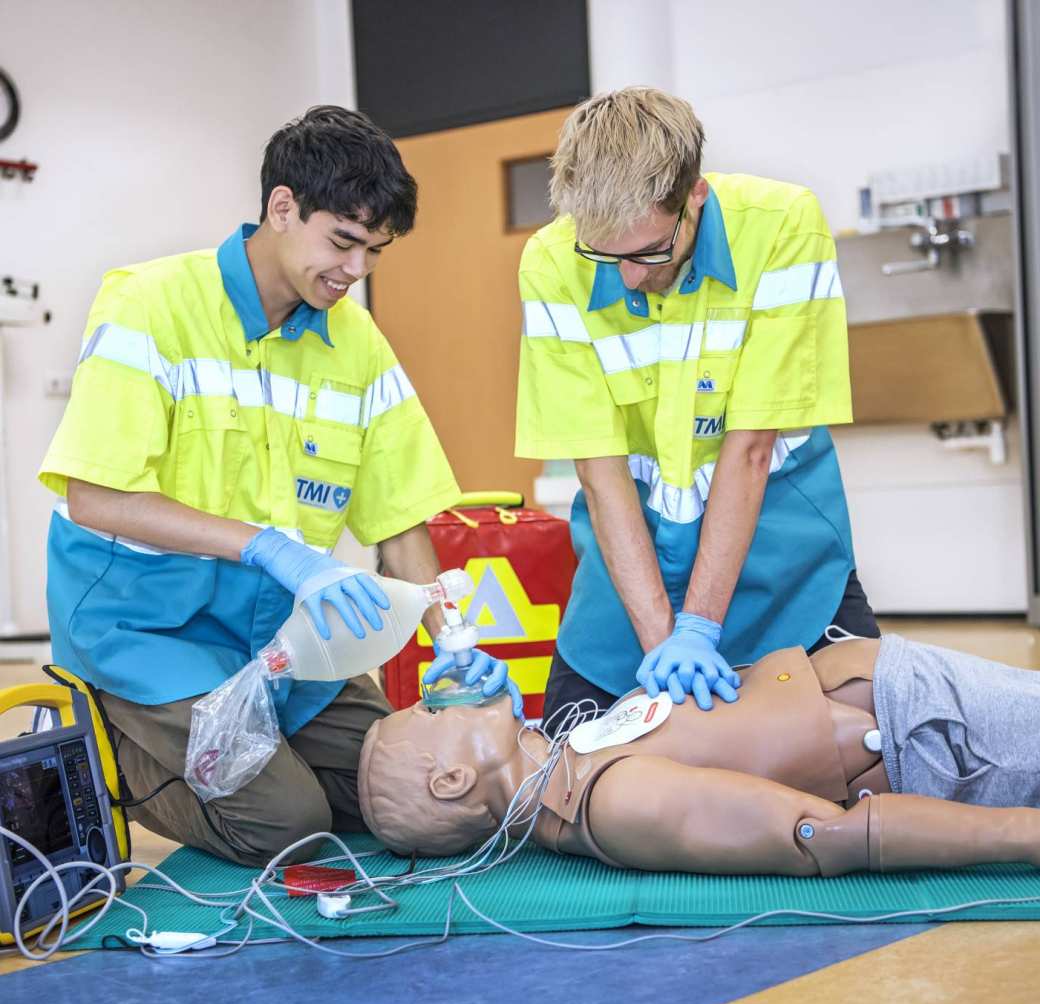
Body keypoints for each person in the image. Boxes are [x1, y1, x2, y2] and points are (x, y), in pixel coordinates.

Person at [37, 106, 516, 867]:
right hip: (147, 637)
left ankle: (262, 752)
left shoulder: (355, 341)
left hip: (286, 644)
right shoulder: (149, 306)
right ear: (282, 207)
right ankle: (114, 742)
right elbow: (97, 496)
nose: (356, 271)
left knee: (411, 787)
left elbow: (400, 519)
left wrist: (452, 642)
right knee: (290, 824)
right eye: (344, 242)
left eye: (374, 252)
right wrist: (267, 548)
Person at [514, 87, 877, 725]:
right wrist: (665, 648)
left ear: (695, 197)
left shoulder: (783, 225)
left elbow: (752, 448)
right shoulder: (550, 259)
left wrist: (700, 627)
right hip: (631, 562)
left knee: (873, 747)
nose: (627, 276)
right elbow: (600, 472)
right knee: (563, 781)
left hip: (778, 548)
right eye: (604, 255)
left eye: (649, 251)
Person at [358, 634, 1040, 876]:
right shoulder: (614, 802)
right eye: (424, 714)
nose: (436, 697)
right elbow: (820, 833)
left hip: (920, 705)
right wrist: (1024, 835)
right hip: (935, 734)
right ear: (451, 779)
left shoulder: (569, 760)